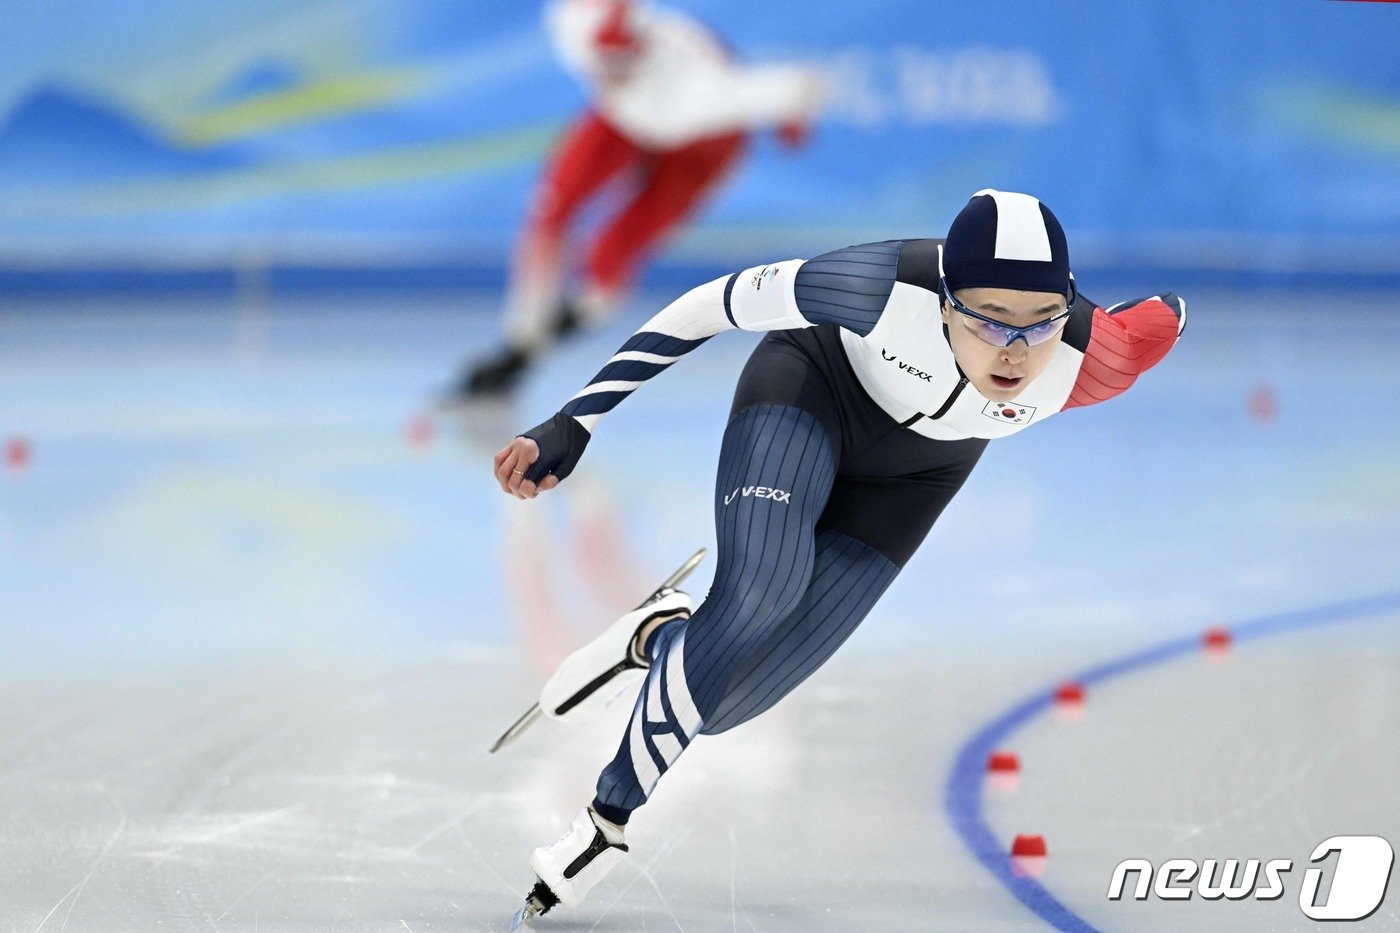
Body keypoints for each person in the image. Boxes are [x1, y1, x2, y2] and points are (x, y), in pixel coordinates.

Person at [493, 189, 1187, 925]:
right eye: (989, 317)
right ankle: (604, 821)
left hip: (918, 479)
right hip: (809, 394)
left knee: (725, 705)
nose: (1014, 348)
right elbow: (708, 305)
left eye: (1039, 321)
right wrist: (579, 417)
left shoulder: (1094, 358)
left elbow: (1165, 314)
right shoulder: (877, 287)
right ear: (946, 300)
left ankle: (656, 637)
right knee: (762, 588)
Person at [453, 0, 825, 397]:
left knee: (611, 257)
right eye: (605, 68)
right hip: (622, 119)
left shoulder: (706, 95)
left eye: (617, 62)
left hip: (704, 144)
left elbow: (800, 84)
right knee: (550, 209)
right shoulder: (573, 26)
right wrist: (523, 334)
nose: (611, 73)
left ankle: (533, 347)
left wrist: (793, 119)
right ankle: (520, 342)